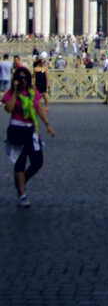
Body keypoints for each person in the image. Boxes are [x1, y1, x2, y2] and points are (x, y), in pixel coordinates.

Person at [2, 65, 55, 207]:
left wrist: (47, 124)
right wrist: (14, 91)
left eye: (25, 77)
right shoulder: (10, 93)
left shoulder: (33, 92)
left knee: (38, 161)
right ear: (16, 80)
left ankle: (21, 181)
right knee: (20, 161)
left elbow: (38, 108)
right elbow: (9, 108)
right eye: (20, 78)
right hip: (16, 129)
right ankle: (22, 194)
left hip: (31, 130)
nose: (23, 80)